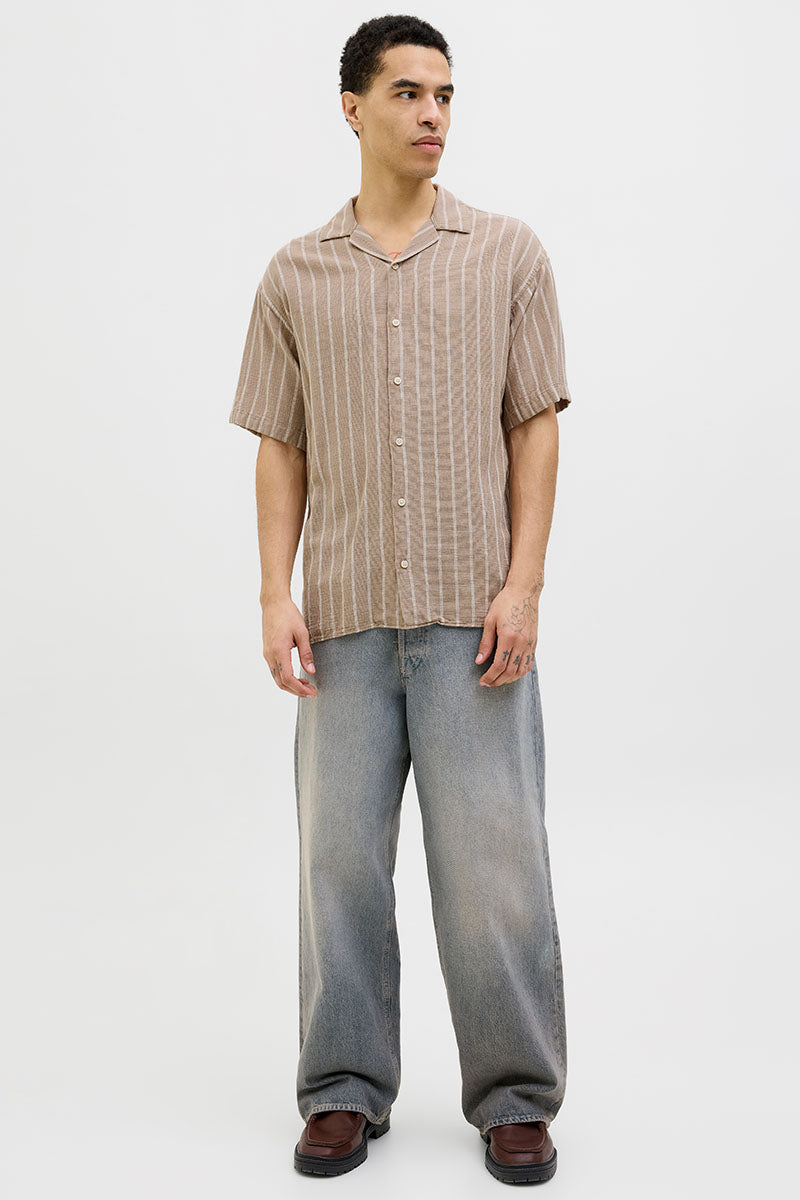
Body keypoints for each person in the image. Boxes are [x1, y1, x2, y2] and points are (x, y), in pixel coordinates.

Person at [229, 14, 572, 1185]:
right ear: (352, 108)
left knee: (492, 869)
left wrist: (522, 585)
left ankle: (515, 1098)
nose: (432, 113)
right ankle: (341, 1089)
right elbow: (280, 445)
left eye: (445, 95)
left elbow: (534, 425)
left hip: (475, 621)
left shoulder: (507, 254)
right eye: (408, 93)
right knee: (336, 866)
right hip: (341, 622)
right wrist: (272, 593)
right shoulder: (294, 273)